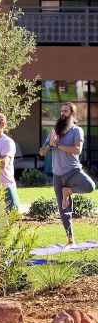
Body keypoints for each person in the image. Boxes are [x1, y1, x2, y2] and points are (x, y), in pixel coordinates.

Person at [40, 102, 95, 246]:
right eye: (61, 111)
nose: (62, 113)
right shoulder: (55, 131)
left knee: (90, 186)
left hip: (73, 171)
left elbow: (77, 150)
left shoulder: (77, 130)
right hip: (57, 175)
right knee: (63, 208)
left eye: (65, 111)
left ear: (73, 114)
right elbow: (42, 151)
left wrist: (58, 145)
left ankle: (69, 191)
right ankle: (70, 238)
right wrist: (50, 144)